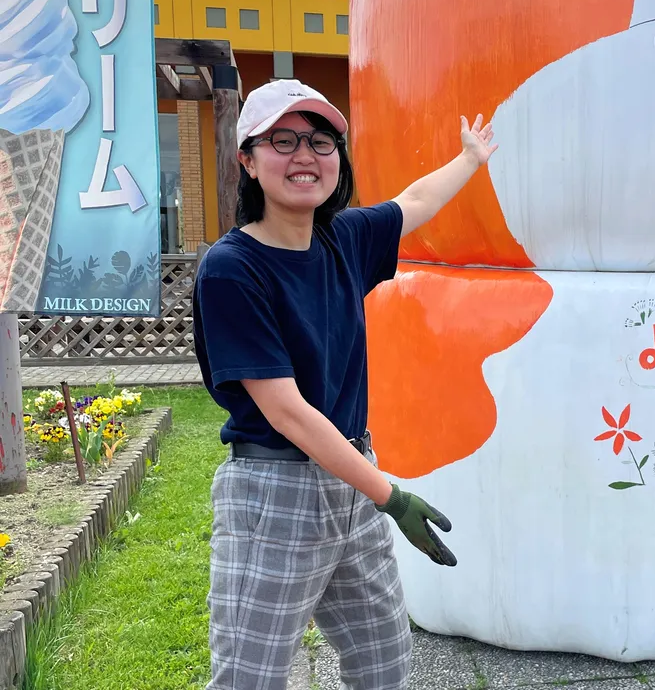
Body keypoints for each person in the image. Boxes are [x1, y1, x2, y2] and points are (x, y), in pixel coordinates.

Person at [192, 78, 497, 690]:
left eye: (321, 141)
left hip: (351, 479)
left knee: (383, 658)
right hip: (274, 493)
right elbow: (287, 413)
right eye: (283, 140)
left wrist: (469, 159)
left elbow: (414, 201)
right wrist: (391, 496)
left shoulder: (341, 239)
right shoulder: (232, 270)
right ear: (247, 161)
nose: (305, 155)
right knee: (249, 678)